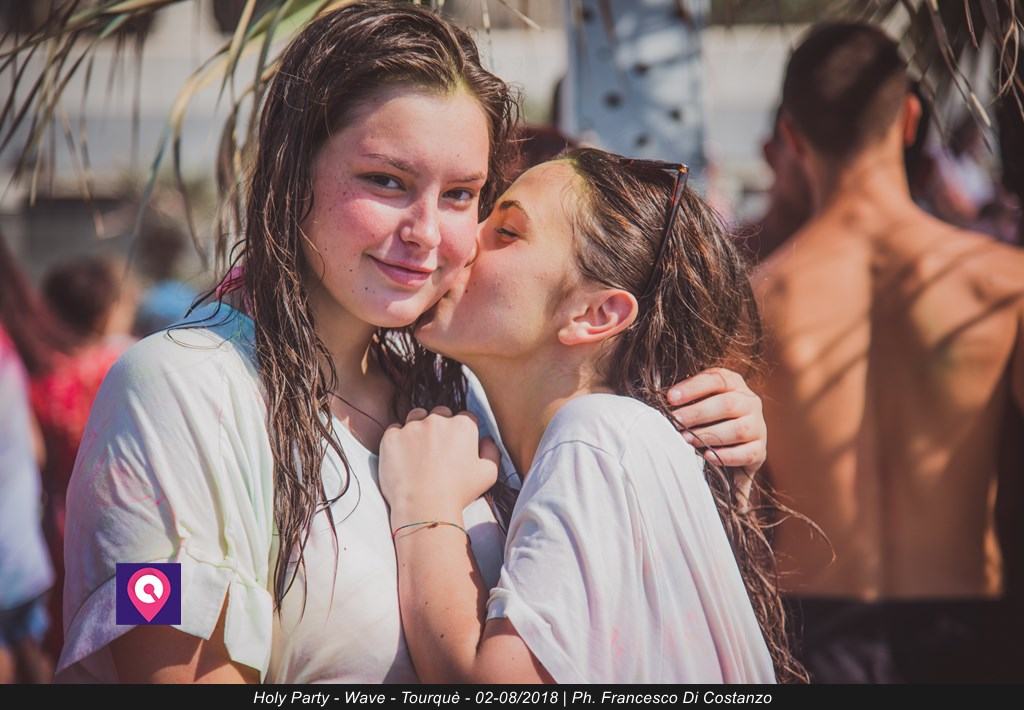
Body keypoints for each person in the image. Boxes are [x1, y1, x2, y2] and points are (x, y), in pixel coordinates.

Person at [55, 3, 769, 684]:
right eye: (386, 181)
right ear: (293, 173)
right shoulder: (178, 390)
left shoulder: (464, 393)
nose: (426, 233)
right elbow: (163, 642)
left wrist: (701, 455)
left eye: (460, 195)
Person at [378, 149, 805, 683]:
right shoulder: (601, 441)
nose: (462, 240)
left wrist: (425, 508)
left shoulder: (596, 435)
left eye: (506, 231)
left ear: (596, 314)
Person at [753, 22, 1024, 682]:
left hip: (810, 632)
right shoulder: (1002, 286)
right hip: (969, 627)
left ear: (791, 135)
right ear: (908, 119)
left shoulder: (755, 301)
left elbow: (742, 497)